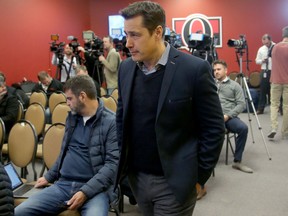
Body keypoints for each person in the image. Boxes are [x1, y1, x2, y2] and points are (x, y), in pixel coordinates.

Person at [115, 2, 225, 215]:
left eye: (135, 35)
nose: (127, 43)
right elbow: (122, 119)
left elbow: (214, 129)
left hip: (174, 184)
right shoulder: (126, 68)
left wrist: (198, 178)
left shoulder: (194, 69)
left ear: (158, 32)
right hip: (137, 180)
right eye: (126, 34)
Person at [15, 75, 119, 216]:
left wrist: (85, 191)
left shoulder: (111, 122)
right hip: (64, 184)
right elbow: (64, 152)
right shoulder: (72, 118)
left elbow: (112, 165)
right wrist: (49, 176)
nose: (67, 103)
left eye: (70, 98)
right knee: (19, 212)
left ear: (82, 96)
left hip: (96, 190)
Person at [213, 59, 253, 173]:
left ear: (226, 70)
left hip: (228, 117)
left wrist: (228, 116)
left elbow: (241, 104)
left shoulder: (235, 86)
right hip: (213, 117)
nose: (216, 72)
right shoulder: (210, 84)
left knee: (243, 128)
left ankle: (237, 161)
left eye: (219, 69)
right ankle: (205, 160)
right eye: (214, 70)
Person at [268, 26, 288, 140]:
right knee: (286, 106)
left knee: (274, 105)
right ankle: (285, 131)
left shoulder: (275, 47)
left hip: (275, 80)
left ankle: (273, 128)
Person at [255, 34, 275, 114]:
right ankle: (260, 109)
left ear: (270, 40)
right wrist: (262, 61)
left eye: (267, 43)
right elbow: (257, 61)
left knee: (275, 90)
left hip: (274, 71)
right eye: (264, 43)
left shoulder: (276, 47)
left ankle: (278, 109)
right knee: (263, 90)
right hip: (264, 71)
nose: (266, 45)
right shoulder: (261, 49)